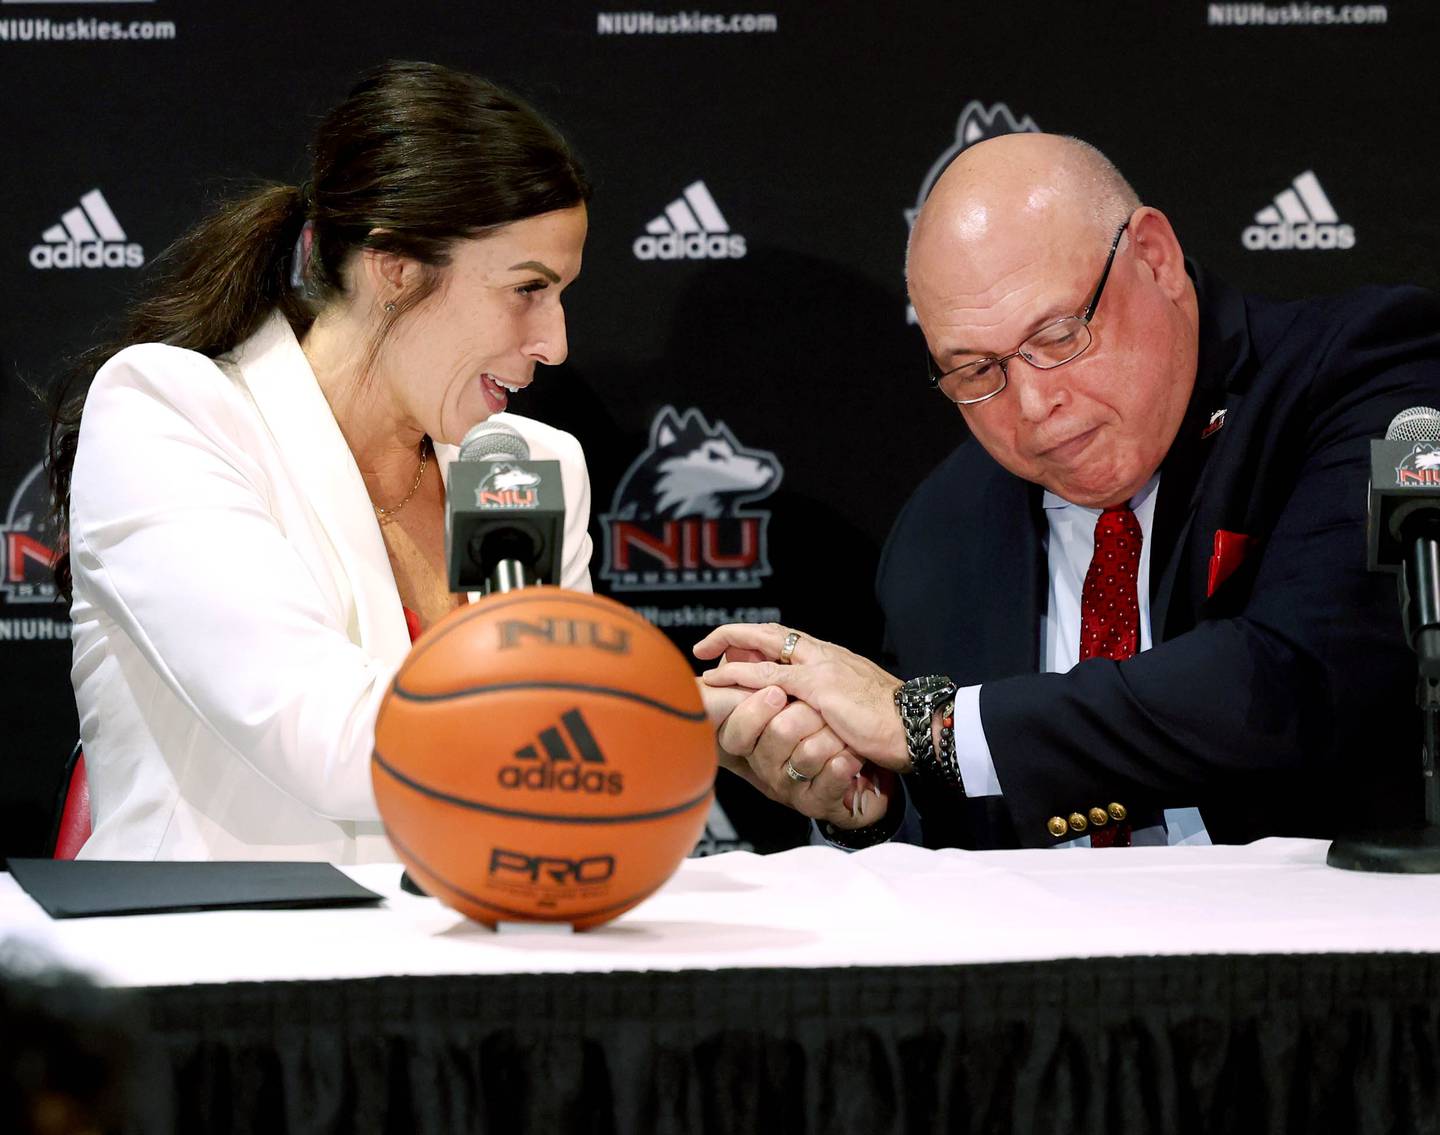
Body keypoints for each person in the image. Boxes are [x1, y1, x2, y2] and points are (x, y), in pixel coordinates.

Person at [696, 132, 1440, 850]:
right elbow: (966, 836)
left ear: (1154, 258)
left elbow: (1296, 676)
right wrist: (873, 811)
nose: (1028, 404)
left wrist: (933, 726)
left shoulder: (1358, 374)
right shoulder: (943, 527)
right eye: (976, 372)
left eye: (1056, 337)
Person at [49, 61, 593, 861]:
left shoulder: (526, 465)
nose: (554, 342)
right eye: (526, 288)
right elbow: (322, 736)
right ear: (395, 266)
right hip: (205, 965)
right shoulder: (166, 411)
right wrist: (646, 718)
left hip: (463, 962)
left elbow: (557, 798)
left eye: (561, 293)